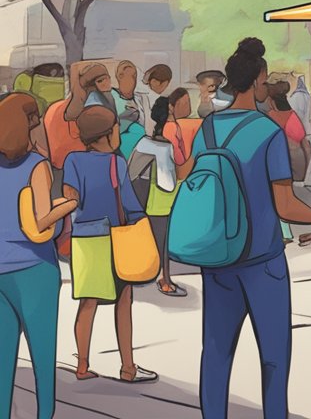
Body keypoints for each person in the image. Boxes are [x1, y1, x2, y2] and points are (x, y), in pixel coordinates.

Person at [194, 37, 311, 419]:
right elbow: (285, 205)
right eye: (265, 80)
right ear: (255, 82)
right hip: (262, 260)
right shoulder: (267, 132)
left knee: (216, 353)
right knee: (273, 356)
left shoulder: (207, 129)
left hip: (218, 254)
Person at [63, 105, 156, 383]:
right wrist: (142, 222)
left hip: (85, 239)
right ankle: (128, 367)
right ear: (108, 134)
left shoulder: (72, 161)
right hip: (115, 238)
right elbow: (129, 204)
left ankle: (82, 365)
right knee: (124, 301)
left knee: (87, 303)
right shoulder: (117, 163)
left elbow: (71, 198)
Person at [0, 94, 75, 419]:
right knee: (42, 354)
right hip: (35, 269)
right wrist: (69, 204)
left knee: (3, 358)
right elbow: (41, 223)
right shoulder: (36, 166)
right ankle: (44, 414)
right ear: (31, 122)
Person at [128, 97, 189, 297]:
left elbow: (131, 171)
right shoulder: (166, 147)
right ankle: (165, 281)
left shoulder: (143, 143)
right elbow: (171, 179)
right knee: (163, 243)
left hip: (140, 200)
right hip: (161, 201)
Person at [267, 81, 311, 247]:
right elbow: (301, 139)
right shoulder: (292, 116)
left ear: (272, 101)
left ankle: (283, 232)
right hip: (289, 161)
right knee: (284, 197)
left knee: (273, 198)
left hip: (274, 161)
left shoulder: (270, 117)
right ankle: (285, 232)